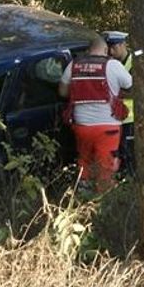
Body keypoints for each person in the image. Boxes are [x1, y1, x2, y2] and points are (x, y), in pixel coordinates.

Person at [57, 35, 133, 190]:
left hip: (81, 126)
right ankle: (102, 201)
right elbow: (131, 86)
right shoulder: (112, 65)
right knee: (105, 167)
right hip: (108, 128)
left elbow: (63, 92)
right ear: (105, 50)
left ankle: (83, 195)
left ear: (88, 50)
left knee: (84, 160)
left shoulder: (74, 65)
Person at [103, 30, 137, 177]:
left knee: (128, 152)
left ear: (123, 45)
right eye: (108, 48)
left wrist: (116, 92)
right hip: (112, 117)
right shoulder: (109, 64)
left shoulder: (136, 63)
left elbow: (139, 91)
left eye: (114, 47)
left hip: (130, 117)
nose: (111, 51)